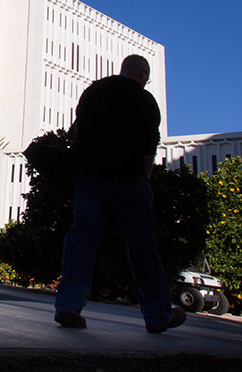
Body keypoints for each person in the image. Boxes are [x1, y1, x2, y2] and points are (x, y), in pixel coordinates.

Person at [54, 54, 186, 333]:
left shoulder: (93, 92)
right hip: (126, 179)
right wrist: (145, 179)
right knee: (142, 248)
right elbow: (148, 146)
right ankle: (158, 314)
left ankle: (68, 306)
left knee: (82, 240)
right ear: (141, 74)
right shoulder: (144, 100)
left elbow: (80, 132)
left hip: (87, 177)